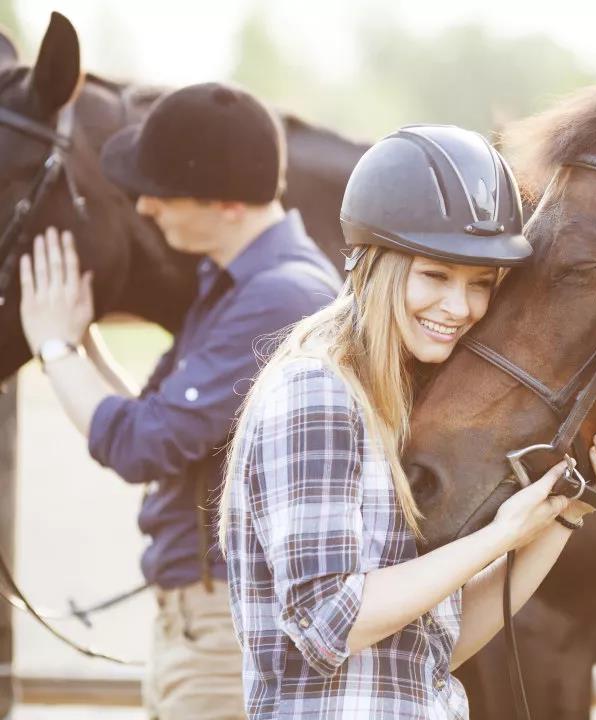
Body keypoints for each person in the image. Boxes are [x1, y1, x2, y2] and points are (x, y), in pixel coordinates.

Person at [219, 125, 596, 719]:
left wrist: (566, 515)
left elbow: (433, 652)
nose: (459, 308)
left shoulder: (401, 402)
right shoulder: (317, 395)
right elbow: (329, 621)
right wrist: (500, 534)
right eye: (435, 276)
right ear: (375, 264)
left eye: (480, 285)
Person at [17, 82, 339, 719]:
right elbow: (155, 421)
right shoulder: (234, 286)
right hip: (200, 625)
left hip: (229, 633)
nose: (144, 206)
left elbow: (144, 446)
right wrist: (78, 345)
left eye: (159, 190)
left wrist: (54, 349)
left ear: (221, 202)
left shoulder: (279, 298)